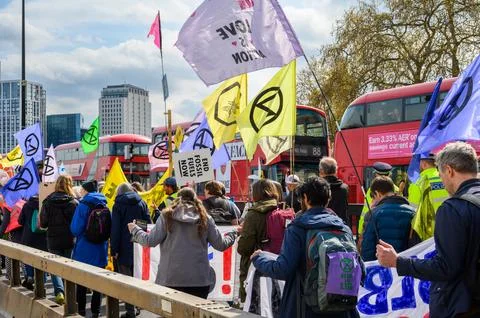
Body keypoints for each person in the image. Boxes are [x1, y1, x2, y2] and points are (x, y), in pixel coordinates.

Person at [377, 142, 480, 317]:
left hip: (461, 306)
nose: (442, 181)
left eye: (440, 174)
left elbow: (446, 267)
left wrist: (398, 262)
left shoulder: (453, 208)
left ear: (449, 170)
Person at [251, 177, 362, 318]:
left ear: (305, 198)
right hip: (342, 308)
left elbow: (282, 269)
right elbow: (360, 270)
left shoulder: (298, 228)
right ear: (328, 199)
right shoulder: (343, 228)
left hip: (305, 307)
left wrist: (259, 258)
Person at [128, 187, 238, 299]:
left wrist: (135, 229)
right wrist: (233, 233)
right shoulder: (205, 218)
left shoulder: (166, 217)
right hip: (199, 281)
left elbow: (149, 241)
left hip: (170, 279)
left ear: (177, 199)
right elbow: (221, 245)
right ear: (195, 200)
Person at [111, 182, 151, 318]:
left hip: (123, 247)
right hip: (139, 244)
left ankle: (130, 311)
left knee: (126, 280)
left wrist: (114, 249)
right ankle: (138, 305)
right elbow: (147, 223)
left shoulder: (118, 205)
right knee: (138, 277)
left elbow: (115, 229)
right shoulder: (142, 202)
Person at [70, 180, 108, 318]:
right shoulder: (105, 203)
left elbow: (75, 229)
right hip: (100, 249)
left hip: (84, 250)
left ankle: (80, 310)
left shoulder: (83, 204)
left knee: (81, 282)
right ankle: (95, 312)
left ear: (85, 191)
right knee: (98, 282)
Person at [237, 179, 278, 301]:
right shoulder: (282, 208)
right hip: (278, 262)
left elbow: (244, 247)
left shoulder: (254, 214)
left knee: (253, 302)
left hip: (255, 266)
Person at [40, 175, 78, 304]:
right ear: (70, 185)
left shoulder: (48, 201)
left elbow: (43, 223)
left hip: (53, 239)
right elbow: (77, 224)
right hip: (69, 239)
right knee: (69, 266)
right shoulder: (74, 203)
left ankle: (59, 291)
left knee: (55, 267)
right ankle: (69, 293)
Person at [360, 176, 414, 261]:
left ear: (378, 193)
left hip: (382, 267)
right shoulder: (412, 212)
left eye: (373, 197)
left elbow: (367, 248)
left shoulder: (374, 214)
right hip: (406, 266)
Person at [407, 153, 449, 245]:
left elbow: (412, 210)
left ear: (424, 164)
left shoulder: (418, 182)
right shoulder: (446, 177)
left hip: (427, 232)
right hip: (449, 227)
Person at [358, 162, 398, 249]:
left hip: (375, 229)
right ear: (390, 175)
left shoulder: (373, 189)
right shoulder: (397, 190)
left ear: (376, 175)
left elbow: (367, 211)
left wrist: (361, 232)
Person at [18, 195, 47, 291]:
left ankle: (30, 276)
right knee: (42, 258)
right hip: (43, 238)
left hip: (28, 237)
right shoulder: (44, 204)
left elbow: (20, 221)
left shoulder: (26, 205)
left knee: (29, 257)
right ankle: (43, 281)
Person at [319, 157, 349, 225]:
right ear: (336, 170)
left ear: (321, 171)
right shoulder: (344, 188)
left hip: (322, 226)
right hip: (341, 226)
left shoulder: (318, 188)